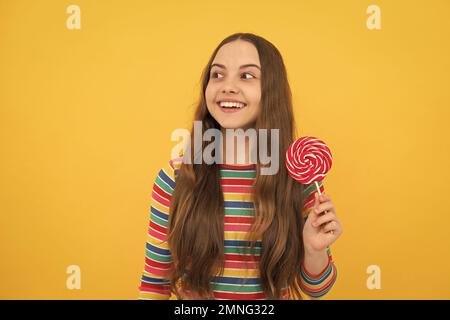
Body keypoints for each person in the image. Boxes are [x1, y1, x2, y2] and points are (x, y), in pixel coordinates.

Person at [138, 33, 343, 300]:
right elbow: (155, 284)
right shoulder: (176, 177)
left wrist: (314, 249)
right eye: (218, 75)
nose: (228, 87)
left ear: (271, 90)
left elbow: (317, 289)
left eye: (246, 76)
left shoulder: (298, 175)